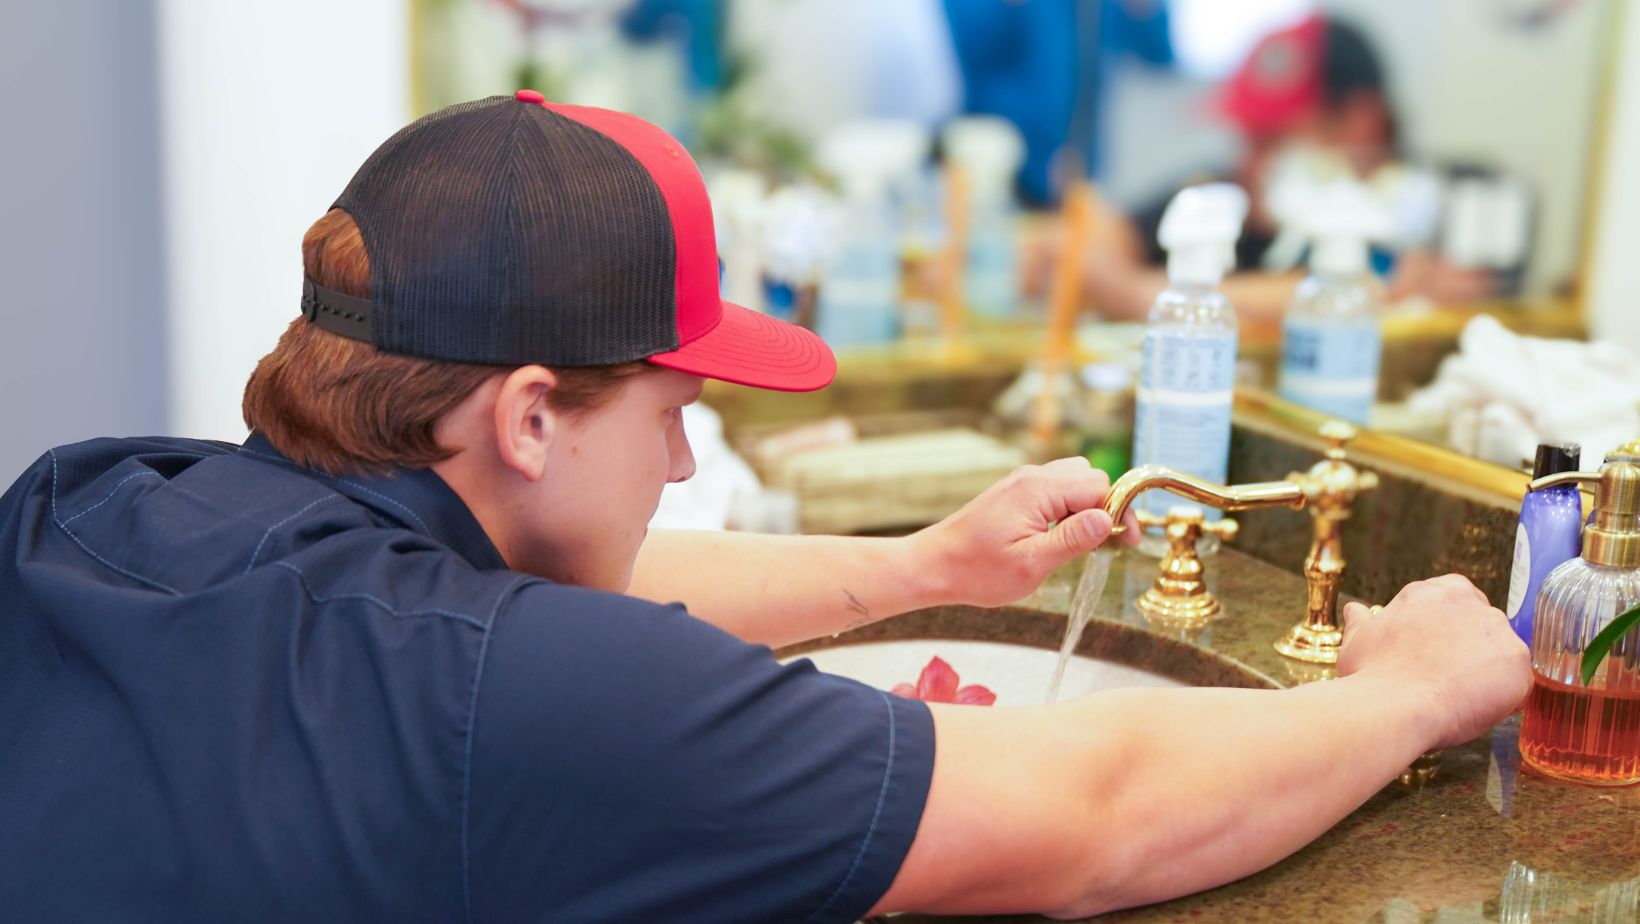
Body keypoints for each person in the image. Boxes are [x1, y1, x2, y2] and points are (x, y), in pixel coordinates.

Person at [0, 92, 1530, 922]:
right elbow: (1096, 818)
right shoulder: (522, 698)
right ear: (528, 416)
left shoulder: (102, 502)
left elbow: (555, 607)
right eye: (674, 412)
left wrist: (923, 566)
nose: (681, 466)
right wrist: (1403, 695)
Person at [1039, 14, 1495, 322]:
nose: (1250, 161)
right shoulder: (1230, 189)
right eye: (1247, 137)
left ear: (1360, 123)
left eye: (1273, 140)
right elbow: (1098, 234)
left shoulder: (1423, 210)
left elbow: (1368, 290)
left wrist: (1137, 293)